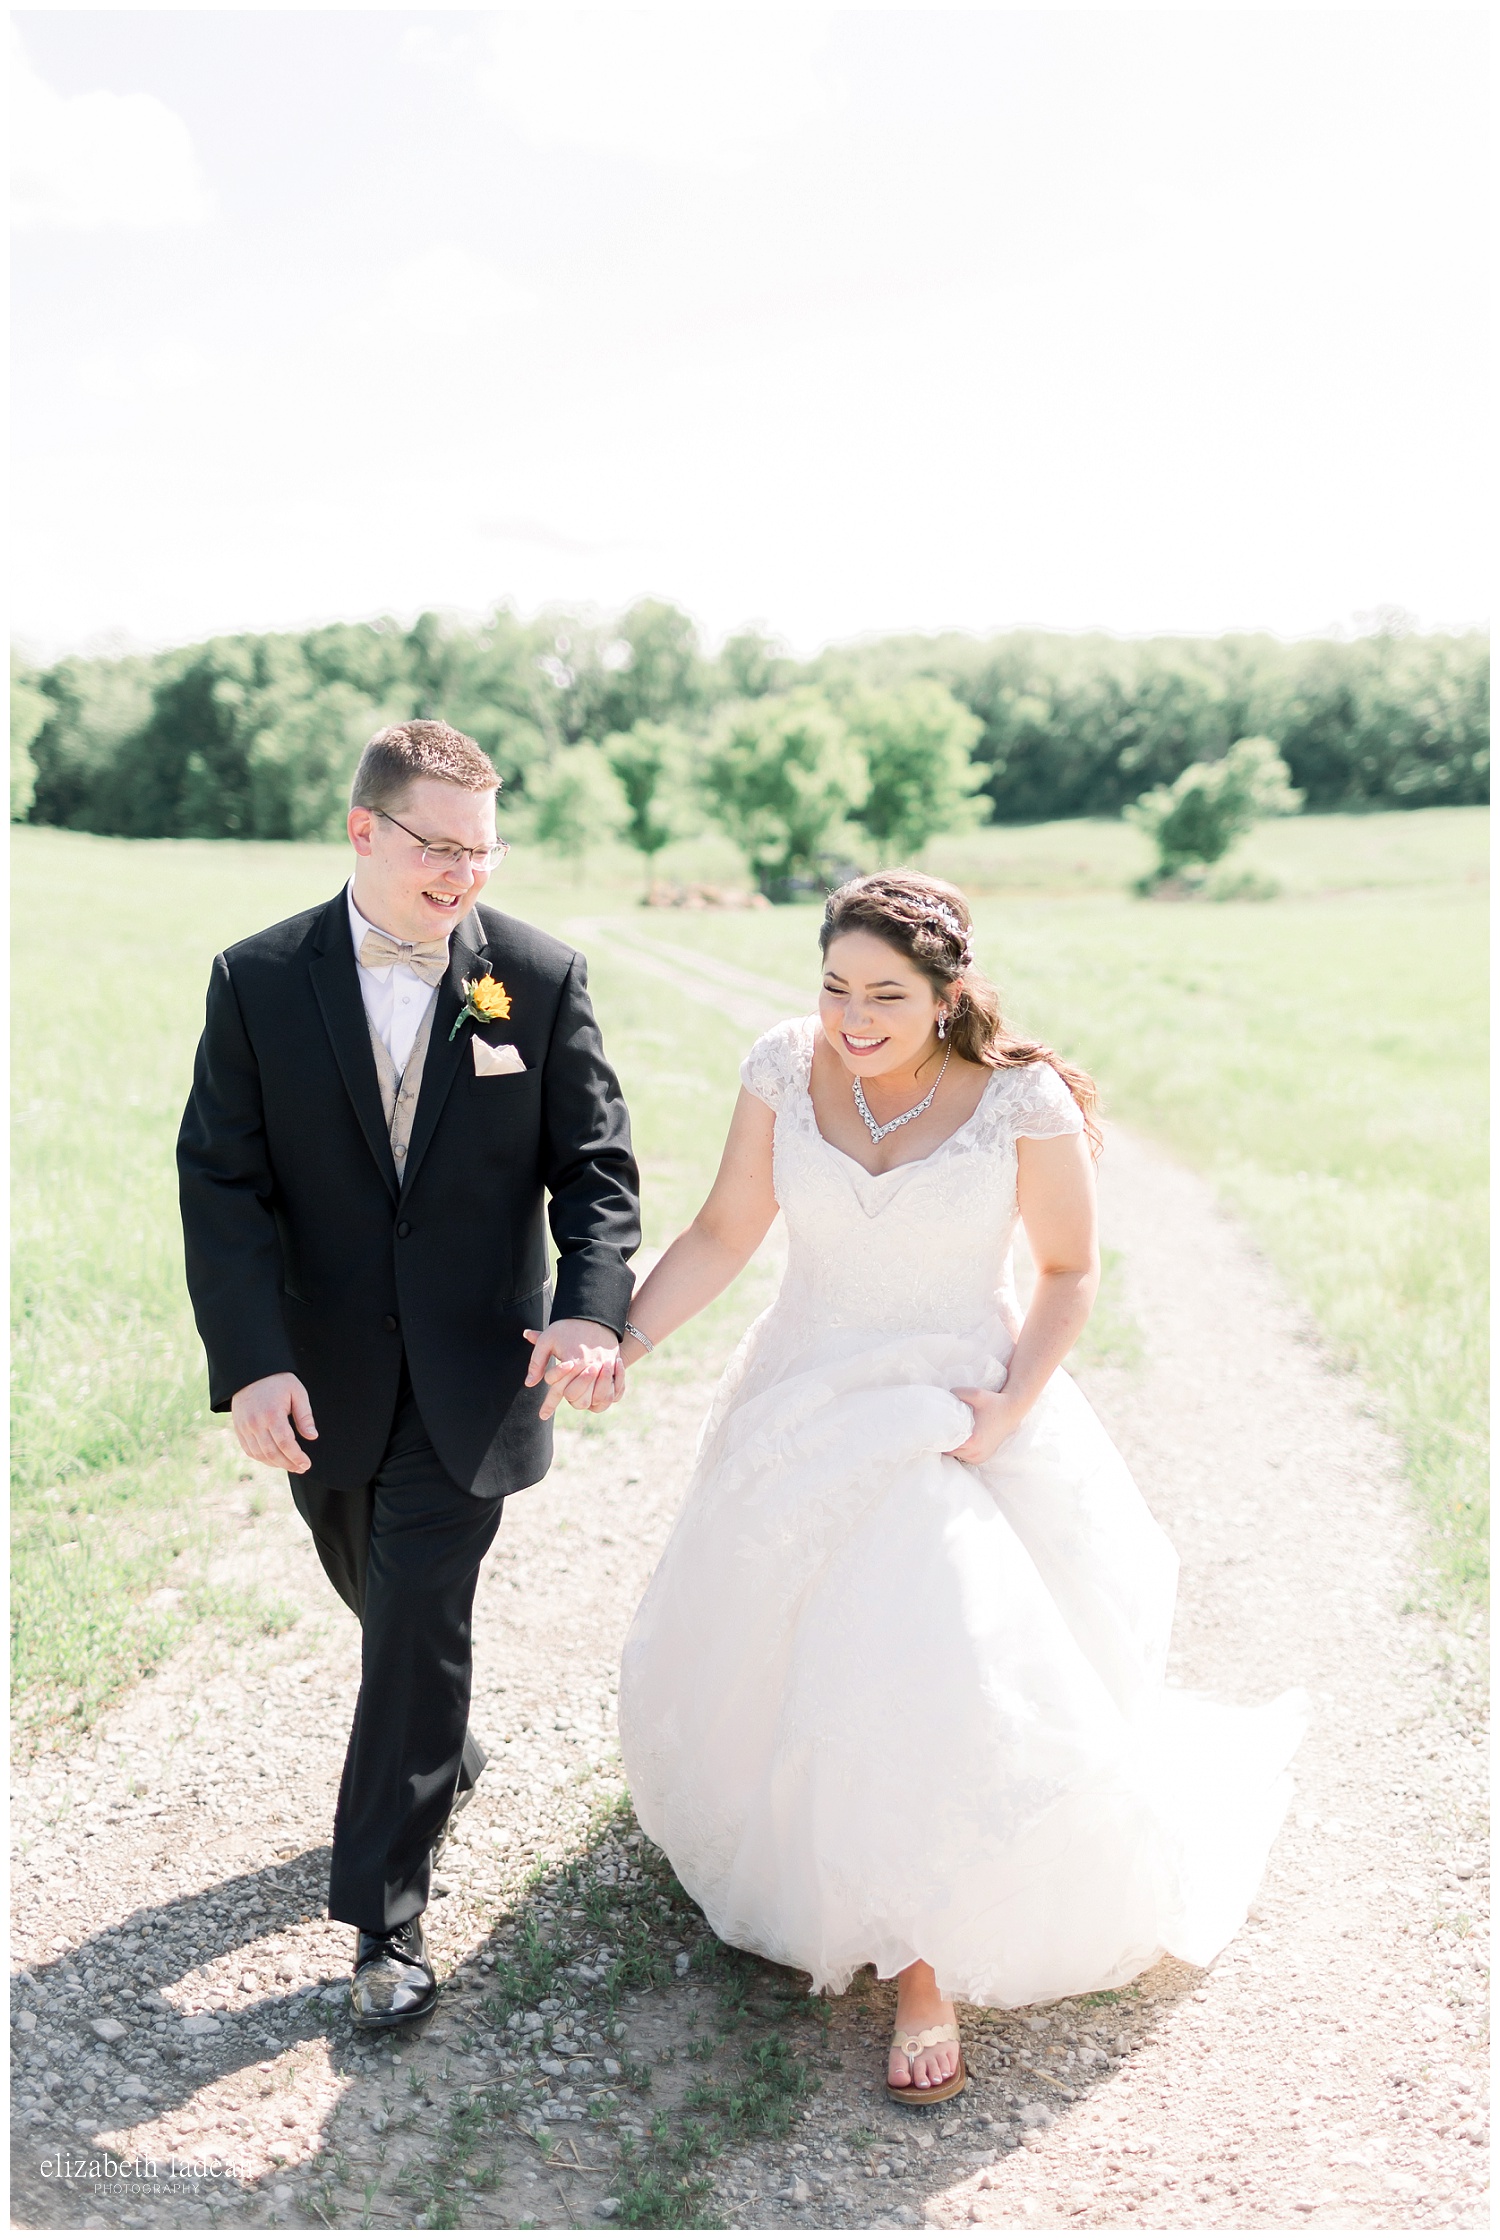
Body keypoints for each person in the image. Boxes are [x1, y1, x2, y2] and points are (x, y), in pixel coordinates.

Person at [615, 870, 1305, 2105]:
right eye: (835, 987)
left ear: (949, 993)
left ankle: (923, 1958)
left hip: (954, 1402)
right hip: (807, 1392)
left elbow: (1069, 1269)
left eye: (885, 993)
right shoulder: (782, 1065)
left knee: (927, 1635)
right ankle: (823, 1854)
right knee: (800, 1644)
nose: (852, 1017)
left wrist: (1010, 1407)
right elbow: (725, 1231)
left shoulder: (1019, 1097)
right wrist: (625, 1340)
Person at [177, 719, 639, 2026]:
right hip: (320, 1379)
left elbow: (594, 1170)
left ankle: (385, 1928)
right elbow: (222, 1183)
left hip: (472, 1371)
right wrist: (253, 1363)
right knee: (384, 1609)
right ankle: (445, 1749)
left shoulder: (535, 980)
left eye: (482, 854)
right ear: (362, 830)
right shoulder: (259, 978)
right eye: (438, 848)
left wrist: (595, 1314)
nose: (461, 878)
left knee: (419, 1615)